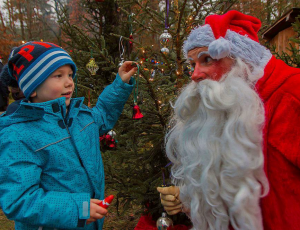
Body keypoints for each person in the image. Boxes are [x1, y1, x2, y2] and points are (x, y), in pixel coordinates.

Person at [157, 10, 300, 230]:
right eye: (192, 64)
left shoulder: (292, 93)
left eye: (206, 59)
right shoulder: (228, 106)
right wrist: (191, 198)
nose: (194, 75)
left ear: (241, 60)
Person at [0, 41, 137, 230]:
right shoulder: (19, 135)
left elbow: (103, 114)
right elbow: (19, 200)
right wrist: (77, 208)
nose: (69, 82)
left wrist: (120, 84)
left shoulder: (79, 116)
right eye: (58, 76)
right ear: (32, 88)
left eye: (70, 75)